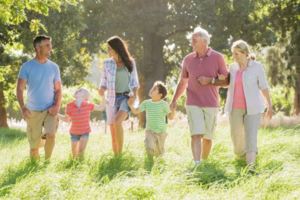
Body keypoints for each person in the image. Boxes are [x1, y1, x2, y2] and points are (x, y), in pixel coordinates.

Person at [170, 27, 228, 166]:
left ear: (204, 41)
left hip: (211, 102)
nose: (192, 43)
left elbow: (226, 82)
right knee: (196, 134)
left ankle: (204, 162)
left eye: (194, 40)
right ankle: (197, 164)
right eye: (192, 40)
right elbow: (183, 81)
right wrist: (174, 100)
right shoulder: (188, 59)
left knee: (207, 137)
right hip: (193, 102)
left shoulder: (218, 57)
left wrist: (210, 80)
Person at [223, 40, 273, 166]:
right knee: (236, 137)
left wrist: (269, 105)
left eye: (237, 54)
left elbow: (264, 87)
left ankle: (250, 167)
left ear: (245, 53)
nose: (234, 57)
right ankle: (242, 156)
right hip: (235, 108)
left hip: (253, 108)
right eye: (233, 54)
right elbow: (228, 84)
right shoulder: (233, 67)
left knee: (251, 136)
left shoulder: (257, 67)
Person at [16, 35, 62, 160]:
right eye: (47, 45)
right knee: (34, 146)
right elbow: (19, 89)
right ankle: (35, 167)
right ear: (38, 47)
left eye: (50, 45)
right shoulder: (26, 67)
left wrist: (57, 106)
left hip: (49, 109)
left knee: (51, 135)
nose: (50, 48)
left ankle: (47, 162)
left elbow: (58, 90)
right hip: (33, 111)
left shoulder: (54, 67)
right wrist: (23, 107)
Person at [98, 36, 139, 155]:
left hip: (126, 98)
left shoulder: (130, 62)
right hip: (112, 98)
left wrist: (134, 97)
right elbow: (104, 81)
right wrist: (101, 89)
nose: (108, 51)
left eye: (110, 48)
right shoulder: (107, 63)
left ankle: (120, 154)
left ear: (117, 48)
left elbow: (135, 83)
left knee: (117, 122)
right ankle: (116, 156)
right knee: (112, 128)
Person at [128, 81, 176, 158]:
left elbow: (171, 117)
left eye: (155, 89)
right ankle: (149, 161)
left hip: (161, 132)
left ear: (160, 95)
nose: (152, 89)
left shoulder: (164, 104)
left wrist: (173, 110)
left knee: (159, 152)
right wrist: (131, 105)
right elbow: (136, 111)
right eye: (152, 88)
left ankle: (158, 164)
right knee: (149, 146)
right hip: (149, 130)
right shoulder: (146, 103)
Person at [59, 88, 105, 159]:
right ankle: (74, 166)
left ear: (85, 96)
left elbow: (101, 108)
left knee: (80, 152)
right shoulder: (69, 105)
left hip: (85, 131)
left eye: (80, 90)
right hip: (74, 133)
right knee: (74, 155)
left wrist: (103, 96)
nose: (78, 90)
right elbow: (66, 119)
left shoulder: (88, 105)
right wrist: (56, 114)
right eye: (78, 90)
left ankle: (81, 165)